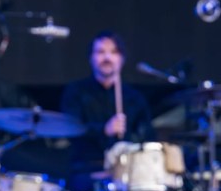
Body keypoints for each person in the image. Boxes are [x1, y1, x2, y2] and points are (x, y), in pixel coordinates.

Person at [60, 31, 156, 177]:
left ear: (122, 59)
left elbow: (148, 136)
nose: (107, 57)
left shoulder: (134, 98)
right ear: (91, 58)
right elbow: (70, 129)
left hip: (128, 170)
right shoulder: (76, 92)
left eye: (113, 52)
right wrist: (104, 129)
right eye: (100, 52)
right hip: (88, 168)